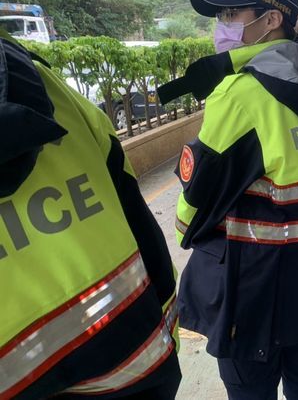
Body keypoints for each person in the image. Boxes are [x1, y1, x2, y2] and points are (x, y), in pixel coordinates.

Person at [170, 0, 298, 400]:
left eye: (229, 14)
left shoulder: (241, 94)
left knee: (249, 387)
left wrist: (185, 230)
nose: (221, 26)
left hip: (252, 279)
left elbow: (198, 194)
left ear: (270, 19)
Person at [0, 32, 180, 399]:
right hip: (135, 368)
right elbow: (145, 234)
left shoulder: (238, 97)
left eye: (230, 15)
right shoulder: (55, 91)